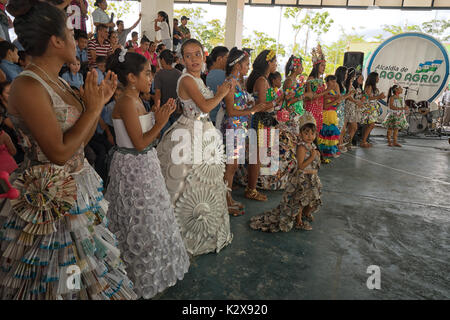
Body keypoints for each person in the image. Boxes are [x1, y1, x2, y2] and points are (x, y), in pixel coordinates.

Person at [0, 0, 137, 300]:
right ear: (56, 41)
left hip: (78, 189)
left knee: (83, 269)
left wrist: (94, 104)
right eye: (71, 34)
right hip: (50, 201)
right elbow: (58, 153)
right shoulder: (27, 85)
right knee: (62, 276)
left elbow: (80, 141)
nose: (77, 41)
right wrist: (94, 108)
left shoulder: (59, 81)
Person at [105, 48, 189, 299]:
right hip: (134, 167)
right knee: (137, 217)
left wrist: (157, 115)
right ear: (131, 77)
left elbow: (142, 136)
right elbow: (140, 143)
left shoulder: (136, 99)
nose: (150, 78)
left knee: (151, 216)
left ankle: (153, 268)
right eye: (147, 73)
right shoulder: (127, 102)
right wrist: (160, 123)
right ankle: (136, 272)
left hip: (143, 165)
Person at [156, 39, 233, 256]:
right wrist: (222, 92)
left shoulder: (199, 79)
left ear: (203, 55)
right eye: (188, 56)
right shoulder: (187, 79)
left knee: (204, 181)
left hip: (203, 130)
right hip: (190, 131)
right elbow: (206, 106)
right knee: (184, 182)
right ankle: (180, 236)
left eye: (197, 54)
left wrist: (219, 92)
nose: (193, 60)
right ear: (182, 59)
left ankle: (204, 232)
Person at [250, 111, 321, 232]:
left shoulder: (312, 146)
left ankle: (305, 214)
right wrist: (311, 157)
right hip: (302, 178)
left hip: (311, 177)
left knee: (311, 197)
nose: (310, 136)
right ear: (300, 133)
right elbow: (301, 166)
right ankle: (298, 220)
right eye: (306, 133)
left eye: (312, 133)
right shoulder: (302, 147)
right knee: (299, 199)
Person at [221, 48, 268, 216]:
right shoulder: (230, 83)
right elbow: (231, 112)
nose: (249, 67)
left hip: (240, 127)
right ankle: (225, 201)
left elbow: (239, 107)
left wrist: (251, 107)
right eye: (247, 64)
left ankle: (228, 198)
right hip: (233, 127)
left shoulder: (239, 81)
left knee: (233, 166)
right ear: (238, 65)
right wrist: (253, 110)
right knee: (231, 166)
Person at [235, 49, 282, 200]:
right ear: (268, 63)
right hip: (260, 122)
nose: (276, 64)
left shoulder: (263, 79)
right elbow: (262, 105)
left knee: (256, 157)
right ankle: (251, 190)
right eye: (274, 61)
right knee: (256, 158)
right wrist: (277, 101)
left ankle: (251, 187)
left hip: (260, 121)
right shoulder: (262, 81)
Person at [154, 49, 182, 135]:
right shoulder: (179, 73)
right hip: (177, 109)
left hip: (164, 109)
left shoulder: (159, 74)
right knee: (176, 135)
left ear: (162, 60)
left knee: (165, 135)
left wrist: (157, 108)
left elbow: (158, 93)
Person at [304, 44, 330, 133]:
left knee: (317, 132)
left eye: (325, 65)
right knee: (310, 131)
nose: (324, 67)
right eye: (322, 65)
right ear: (316, 66)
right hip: (311, 108)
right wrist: (327, 91)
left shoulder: (320, 80)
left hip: (319, 109)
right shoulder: (311, 79)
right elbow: (311, 96)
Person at [318, 75, 343, 159]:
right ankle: (326, 151)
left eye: (335, 81)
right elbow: (325, 106)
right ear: (327, 82)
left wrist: (346, 96)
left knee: (331, 134)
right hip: (327, 114)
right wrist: (336, 100)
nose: (334, 83)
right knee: (327, 133)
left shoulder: (334, 93)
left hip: (333, 114)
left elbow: (338, 101)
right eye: (332, 81)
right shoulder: (326, 92)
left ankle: (331, 151)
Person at [361, 72, 385, 148]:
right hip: (369, 108)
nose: (378, 79)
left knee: (370, 125)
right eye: (377, 77)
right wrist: (378, 96)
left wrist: (380, 97)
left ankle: (365, 140)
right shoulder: (369, 87)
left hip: (373, 108)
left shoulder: (374, 87)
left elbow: (374, 97)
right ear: (374, 78)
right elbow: (367, 98)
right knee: (371, 125)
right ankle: (363, 141)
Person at [206, 46, 229, 126]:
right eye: (227, 58)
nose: (229, 61)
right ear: (219, 59)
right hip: (219, 119)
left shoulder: (209, 74)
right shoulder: (223, 75)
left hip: (210, 117)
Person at [342, 71, 364, 151]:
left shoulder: (355, 85)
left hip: (353, 107)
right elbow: (347, 96)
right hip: (348, 105)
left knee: (353, 127)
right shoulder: (347, 84)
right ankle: (343, 142)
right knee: (348, 126)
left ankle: (347, 142)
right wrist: (356, 101)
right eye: (355, 76)